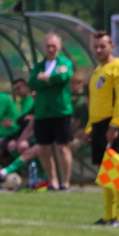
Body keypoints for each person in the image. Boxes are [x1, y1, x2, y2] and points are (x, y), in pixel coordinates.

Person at [84, 30, 119, 227]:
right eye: (95, 46)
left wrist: (115, 125)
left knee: (117, 169)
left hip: (112, 125)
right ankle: (107, 215)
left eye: (102, 46)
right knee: (103, 170)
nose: (98, 50)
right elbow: (96, 102)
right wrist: (90, 127)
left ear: (111, 46)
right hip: (98, 126)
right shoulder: (98, 70)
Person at [28, 33, 74, 190]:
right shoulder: (39, 66)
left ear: (59, 46)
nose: (51, 48)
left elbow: (63, 78)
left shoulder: (65, 62)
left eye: (53, 45)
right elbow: (33, 83)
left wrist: (46, 79)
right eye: (48, 45)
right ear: (43, 47)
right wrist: (50, 79)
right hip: (42, 112)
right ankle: (52, 181)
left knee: (62, 148)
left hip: (61, 111)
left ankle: (65, 181)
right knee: (43, 148)